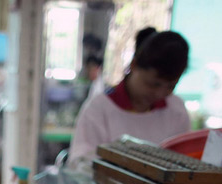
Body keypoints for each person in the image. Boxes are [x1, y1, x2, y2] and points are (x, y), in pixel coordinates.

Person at [68, 28, 190, 167]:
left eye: (170, 87)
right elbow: (80, 163)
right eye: (153, 84)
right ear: (134, 65)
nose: (159, 94)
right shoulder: (100, 108)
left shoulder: (176, 109)